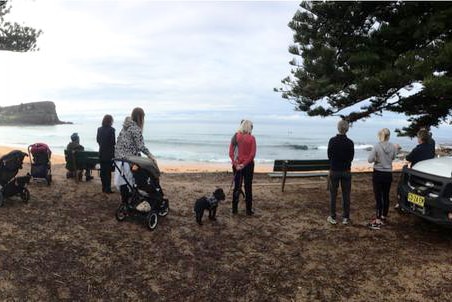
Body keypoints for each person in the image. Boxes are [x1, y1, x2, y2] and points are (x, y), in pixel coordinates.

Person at [114, 107, 157, 203]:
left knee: (124, 182)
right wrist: (151, 156)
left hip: (119, 158)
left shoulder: (125, 127)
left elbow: (119, 142)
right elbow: (141, 146)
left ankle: (125, 202)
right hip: (128, 159)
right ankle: (131, 201)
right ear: (141, 118)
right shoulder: (136, 129)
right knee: (133, 181)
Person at [367, 128, 399, 229]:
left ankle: (377, 218)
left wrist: (377, 158)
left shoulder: (376, 146)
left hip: (378, 173)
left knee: (378, 196)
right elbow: (393, 157)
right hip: (388, 174)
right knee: (386, 195)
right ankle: (384, 216)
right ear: (389, 136)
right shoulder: (393, 146)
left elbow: (369, 160)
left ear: (380, 135)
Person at [327, 120, 354, 225]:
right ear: (347, 129)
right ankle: (346, 218)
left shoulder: (332, 141)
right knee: (346, 195)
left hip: (334, 170)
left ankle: (332, 217)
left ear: (338, 128)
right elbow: (351, 158)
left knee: (333, 194)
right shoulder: (350, 142)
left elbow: (329, 156)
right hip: (346, 171)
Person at [228, 120, 256, 215]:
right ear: (249, 127)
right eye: (251, 127)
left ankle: (234, 209)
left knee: (237, 187)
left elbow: (231, 153)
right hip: (248, 166)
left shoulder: (235, 137)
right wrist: (244, 164)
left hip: (237, 166)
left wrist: (236, 165)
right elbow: (252, 155)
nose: (252, 129)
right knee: (248, 187)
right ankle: (248, 210)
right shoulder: (252, 138)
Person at [97, 114, 116, 193]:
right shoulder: (112, 130)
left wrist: (103, 145)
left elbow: (98, 140)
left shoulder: (99, 129)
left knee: (103, 171)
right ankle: (108, 188)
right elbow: (113, 142)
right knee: (108, 172)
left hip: (101, 152)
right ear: (110, 121)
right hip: (109, 154)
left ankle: (103, 187)